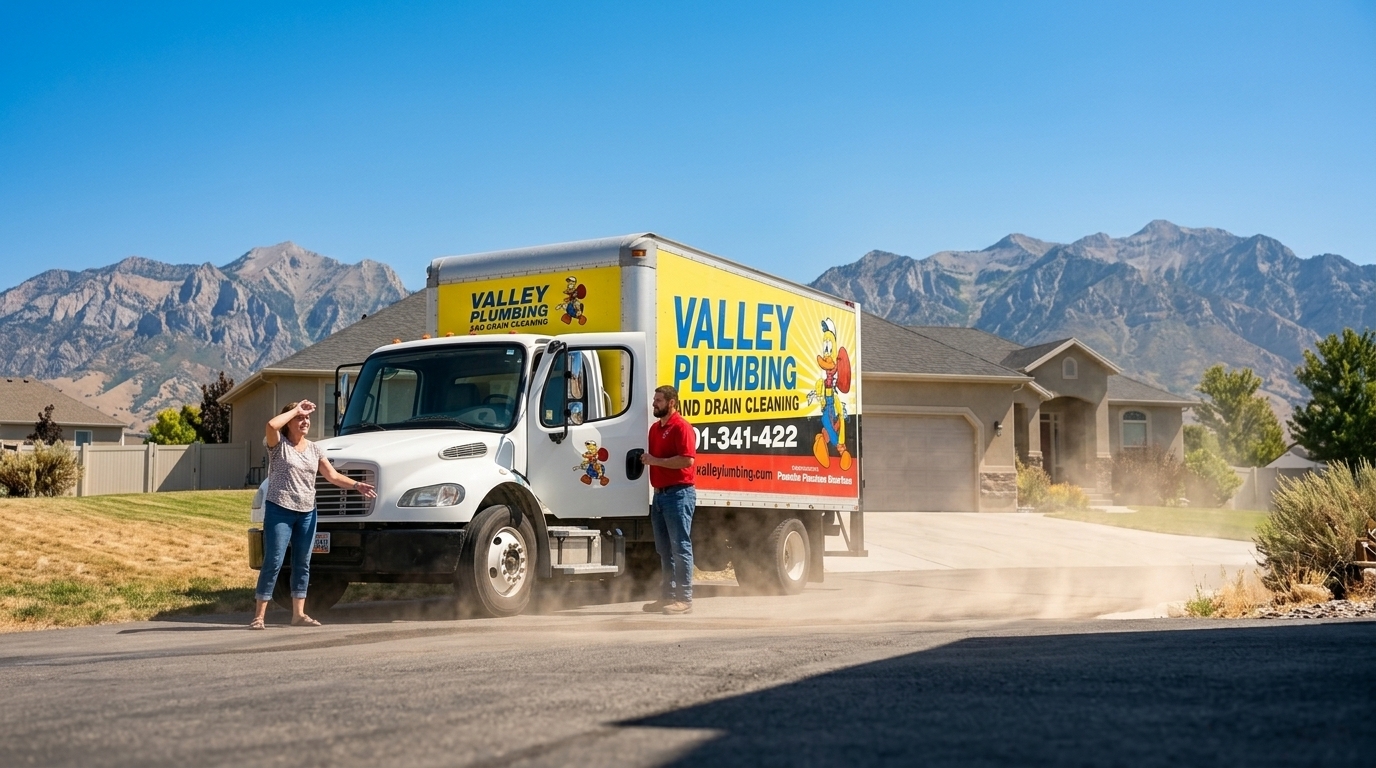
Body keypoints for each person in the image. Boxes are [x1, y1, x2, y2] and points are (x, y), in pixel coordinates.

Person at [250, 400, 375, 629]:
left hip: (307, 512)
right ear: (289, 421)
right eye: (300, 418)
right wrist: (295, 410)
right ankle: (259, 616)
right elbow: (270, 425)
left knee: (303, 563)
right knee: (274, 561)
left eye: (307, 418)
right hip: (280, 510)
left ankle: (298, 615)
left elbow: (333, 476)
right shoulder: (279, 445)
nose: (305, 421)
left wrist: (357, 485)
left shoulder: (314, 449)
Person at [640, 385, 697, 615]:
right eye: (655, 399)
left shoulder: (682, 427)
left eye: (659, 400)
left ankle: (685, 599)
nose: (654, 403)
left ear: (672, 403)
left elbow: (687, 461)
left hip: (679, 494)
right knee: (664, 549)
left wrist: (654, 460)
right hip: (660, 495)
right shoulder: (654, 429)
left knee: (680, 546)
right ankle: (668, 597)